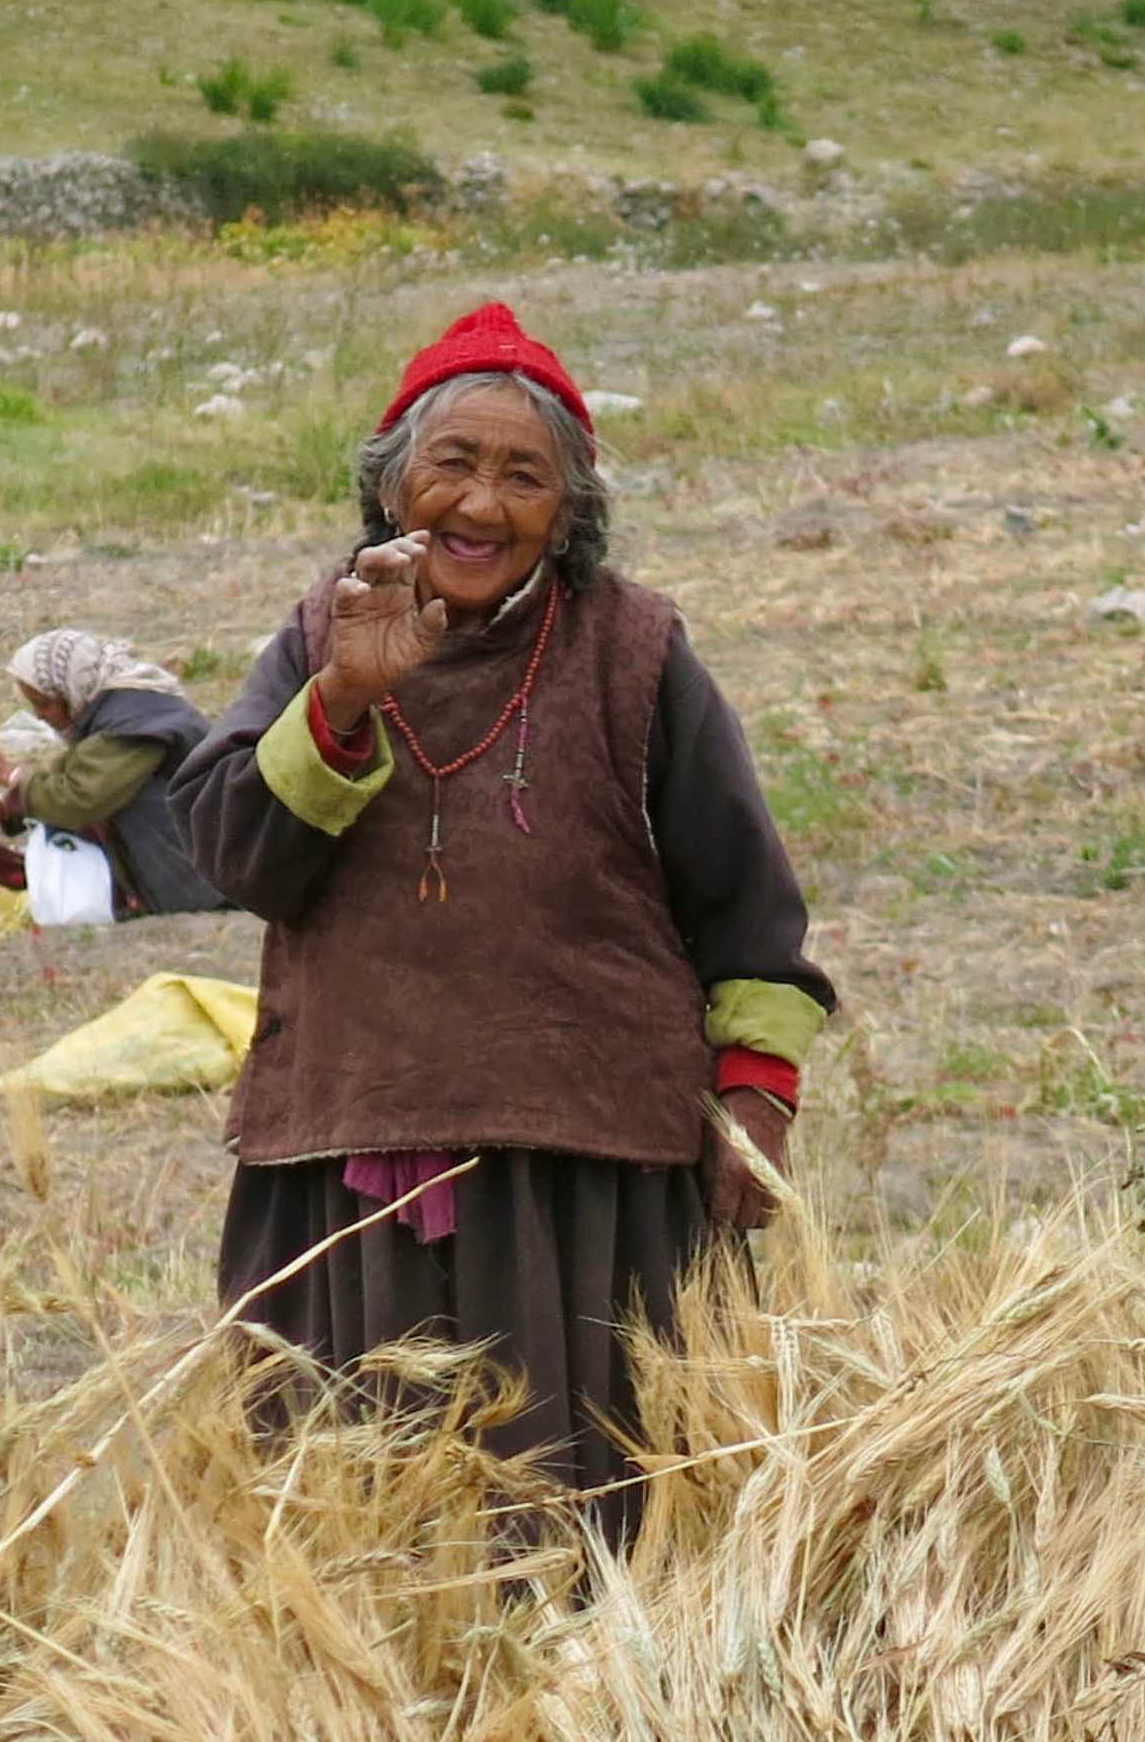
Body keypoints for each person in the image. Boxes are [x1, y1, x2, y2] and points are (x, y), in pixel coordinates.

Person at [171, 301, 835, 1542]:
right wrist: (344, 700)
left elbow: (743, 893)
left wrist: (754, 1092)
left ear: (568, 511)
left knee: (592, 1496)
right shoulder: (325, 632)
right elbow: (228, 853)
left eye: (523, 477)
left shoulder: (634, 650)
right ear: (391, 485)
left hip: (579, 1161)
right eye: (452, 465)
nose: (480, 506)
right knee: (355, 1501)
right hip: (354, 1139)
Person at [0, 630, 225, 918]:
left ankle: (168, 899)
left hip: (208, 878)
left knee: (113, 802)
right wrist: (7, 806)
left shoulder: (135, 727)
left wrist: (8, 774)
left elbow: (81, 798)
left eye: (45, 703)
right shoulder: (121, 708)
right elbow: (79, 767)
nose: (40, 715)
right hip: (209, 854)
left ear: (71, 689)